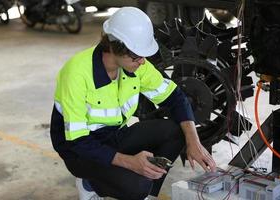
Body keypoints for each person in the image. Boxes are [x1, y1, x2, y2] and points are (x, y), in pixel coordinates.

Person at [50, 6, 216, 200]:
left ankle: (148, 195)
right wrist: (130, 162)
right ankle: (89, 183)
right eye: (137, 56)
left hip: (114, 136)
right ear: (115, 47)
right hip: (80, 151)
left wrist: (193, 141)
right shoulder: (77, 73)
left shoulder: (136, 65)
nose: (142, 62)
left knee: (177, 131)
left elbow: (176, 97)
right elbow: (78, 142)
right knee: (137, 186)